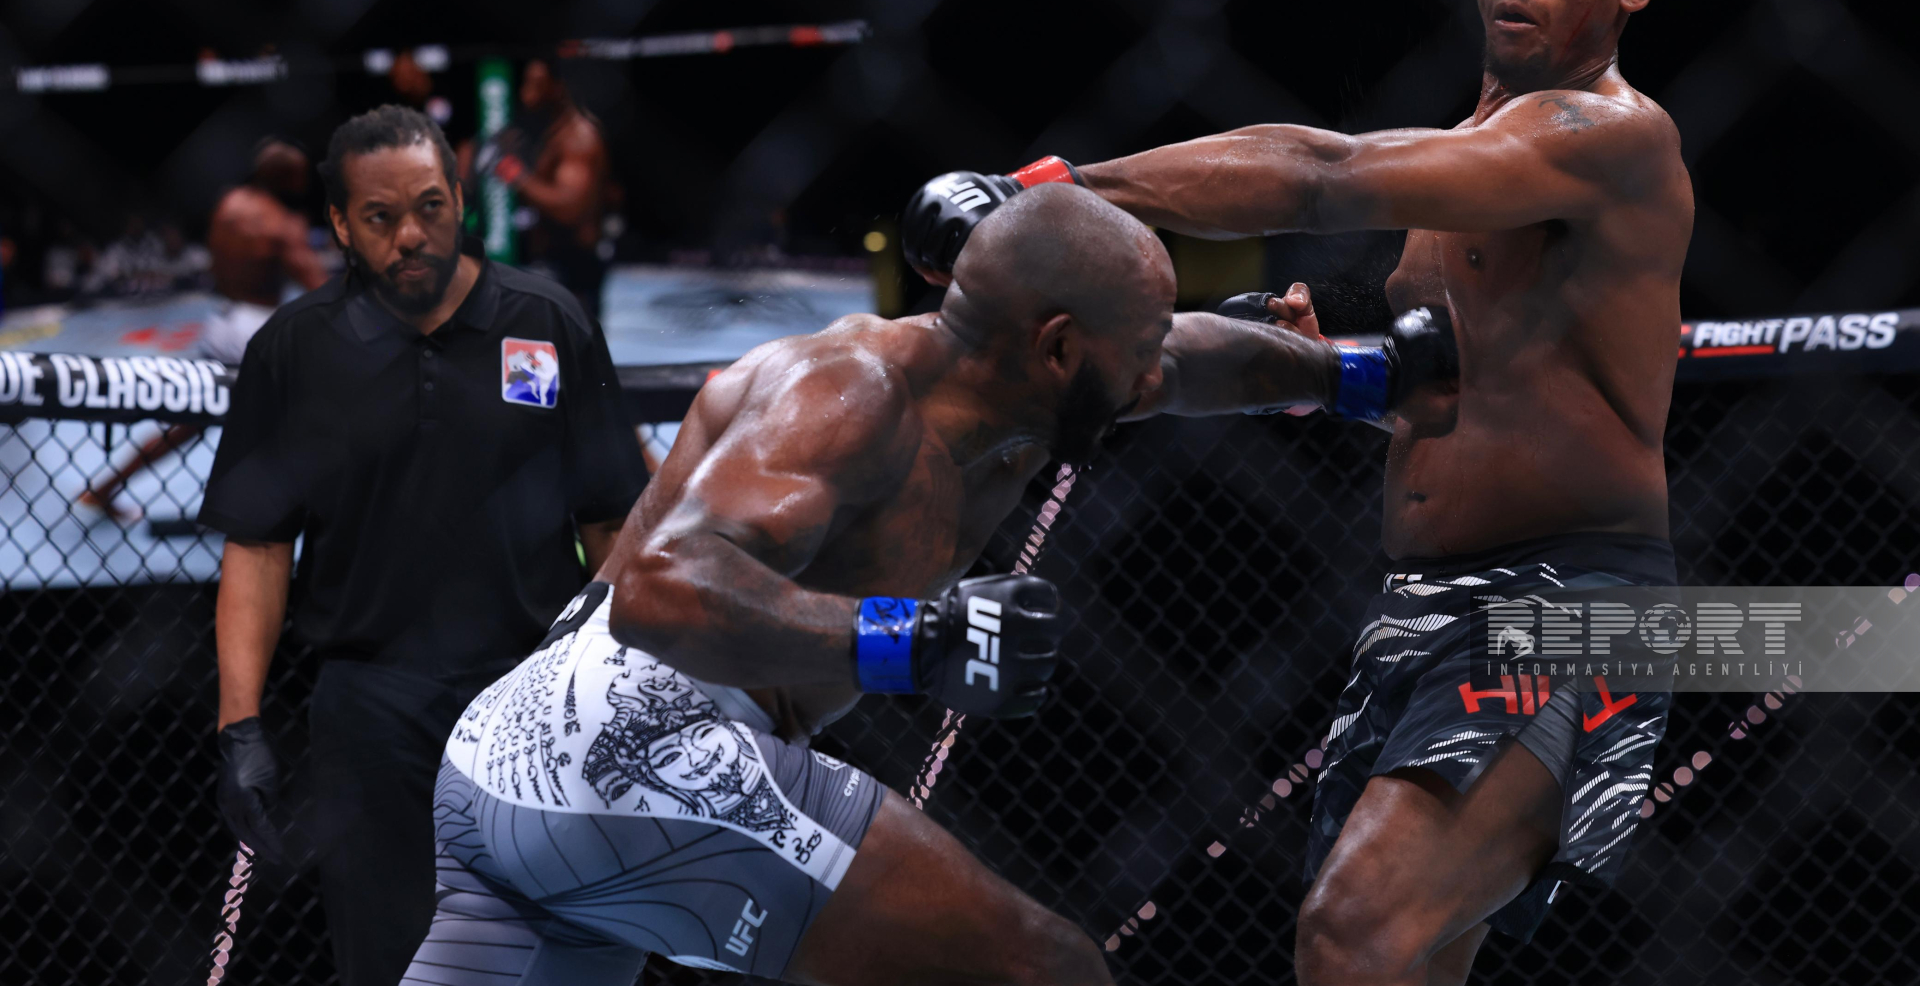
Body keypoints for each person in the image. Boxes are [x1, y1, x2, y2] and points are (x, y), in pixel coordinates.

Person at [899, 0, 1690, 985]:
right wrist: (1342, 373)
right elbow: (1483, 410)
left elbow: (1324, 172)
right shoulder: (1475, 152)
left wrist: (1047, 192)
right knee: (1401, 956)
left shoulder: (1611, 137)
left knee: (1353, 931)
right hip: (1424, 598)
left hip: (1573, 600)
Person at [399, 183, 1455, 985]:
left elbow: (1197, 361)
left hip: (506, 760)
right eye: (1138, 351)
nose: (1153, 375)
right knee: (1047, 970)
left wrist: (1357, 376)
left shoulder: (1037, 380)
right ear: (1057, 346)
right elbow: (659, 590)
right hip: (635, 735)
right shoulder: (848, 394)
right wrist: (914, 639)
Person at [200, 105, 649, 986]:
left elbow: (612, 528)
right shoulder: (294, 349)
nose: (410, 235)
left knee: (554, 957)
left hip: (535, 689)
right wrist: (238, 726)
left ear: (459, 202)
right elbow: (258, 548)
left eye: (430, 207)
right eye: (380, 216)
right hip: (372, 706)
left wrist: (627, 689)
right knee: (388, 961)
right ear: (340, 224)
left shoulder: (546, 322)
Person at [78, 140, 328, 521]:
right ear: (290, 178)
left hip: (223, 320)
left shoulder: (228, 205)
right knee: (317, 404)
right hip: (260, 327)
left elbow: (217, 263)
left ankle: (103, 489)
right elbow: (319, 287)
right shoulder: (282, 224)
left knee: (191, 420)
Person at [462, 59, 618, 317]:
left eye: (536, 85)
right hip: (552, 265)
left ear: (557, 88)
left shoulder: (578, 139)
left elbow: (570, 207)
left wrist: (514, 174)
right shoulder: (548, 133)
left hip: (576, 269)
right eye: (526, 85)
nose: (527, 95)